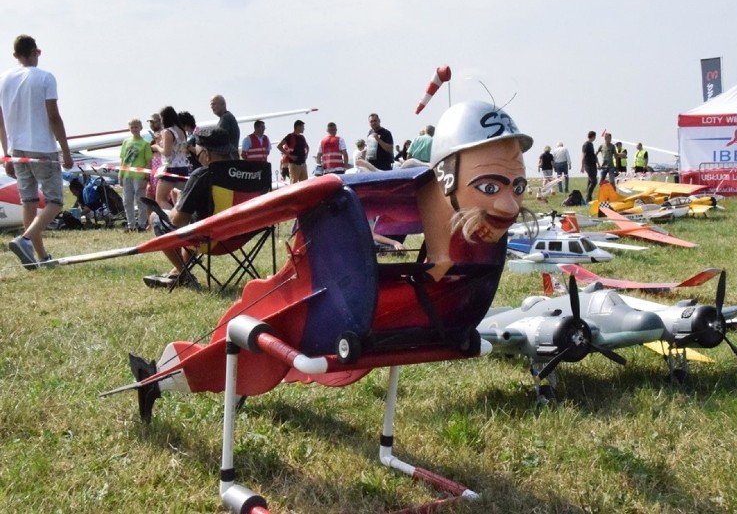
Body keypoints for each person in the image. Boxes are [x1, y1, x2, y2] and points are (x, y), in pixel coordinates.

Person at [124, 99, 533, 422]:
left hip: (391, 324)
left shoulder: (472, 241)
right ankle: (163, 376)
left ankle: (176, 377)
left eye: (517, 185)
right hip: (334, 308)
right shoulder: (430, 199)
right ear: (449, 176)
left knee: (262, 334)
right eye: (492, 185)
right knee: (253, 326)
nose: (511, 204)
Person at [0, 35, 73, 269]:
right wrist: (66, 151)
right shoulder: (45, 78)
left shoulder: (4, 79)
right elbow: (54, 116)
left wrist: (7, 154)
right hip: (42, 147)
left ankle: (39, 257)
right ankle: (25, 240)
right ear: (35, 52)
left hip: (17, 149)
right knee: (54, 201)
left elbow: (1, 122)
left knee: (28, 202)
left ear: (15, 55)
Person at [144, 127, 237, 288]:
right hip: (237, 236)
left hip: (209, 239)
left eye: (197, 150)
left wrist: (180, 200)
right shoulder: (247, 172)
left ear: (206, 153)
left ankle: (184, 272)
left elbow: (178, 220)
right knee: (196, 221)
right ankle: (177, 272)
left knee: (156, 218)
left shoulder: (201, 175)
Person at [151, 106, 190, 211]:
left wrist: (157, 147)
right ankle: (181, 220)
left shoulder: (167, 131)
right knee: (179, 199)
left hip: (170, 168)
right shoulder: (182, 131)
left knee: (160, 199)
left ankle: (171, 221)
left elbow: (167, 153)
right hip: (183, 167)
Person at [119, 118, 153, 232]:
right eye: (132, 127)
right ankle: (131, 225)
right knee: (127, 200)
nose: (134, 129)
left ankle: (142, 224)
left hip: (139, 176)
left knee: (140, 200)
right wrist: (120, 174)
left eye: (136, 127)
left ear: (140, 128)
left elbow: (148, 162)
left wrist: (146, 177)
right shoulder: (126, 142)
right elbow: (123, 159)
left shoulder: (145, 144)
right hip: (127, 175)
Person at [580, 131, 598, 203]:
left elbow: (593, 155)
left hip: (593, 164)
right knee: (594, 181)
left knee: (590, 181)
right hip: (588, 165)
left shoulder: (591, 144)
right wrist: (582, 166)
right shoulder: (586, 145)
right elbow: (583, 155)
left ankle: (588, 198)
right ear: (593, 136)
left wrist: (598, 164)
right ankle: (587, 197)